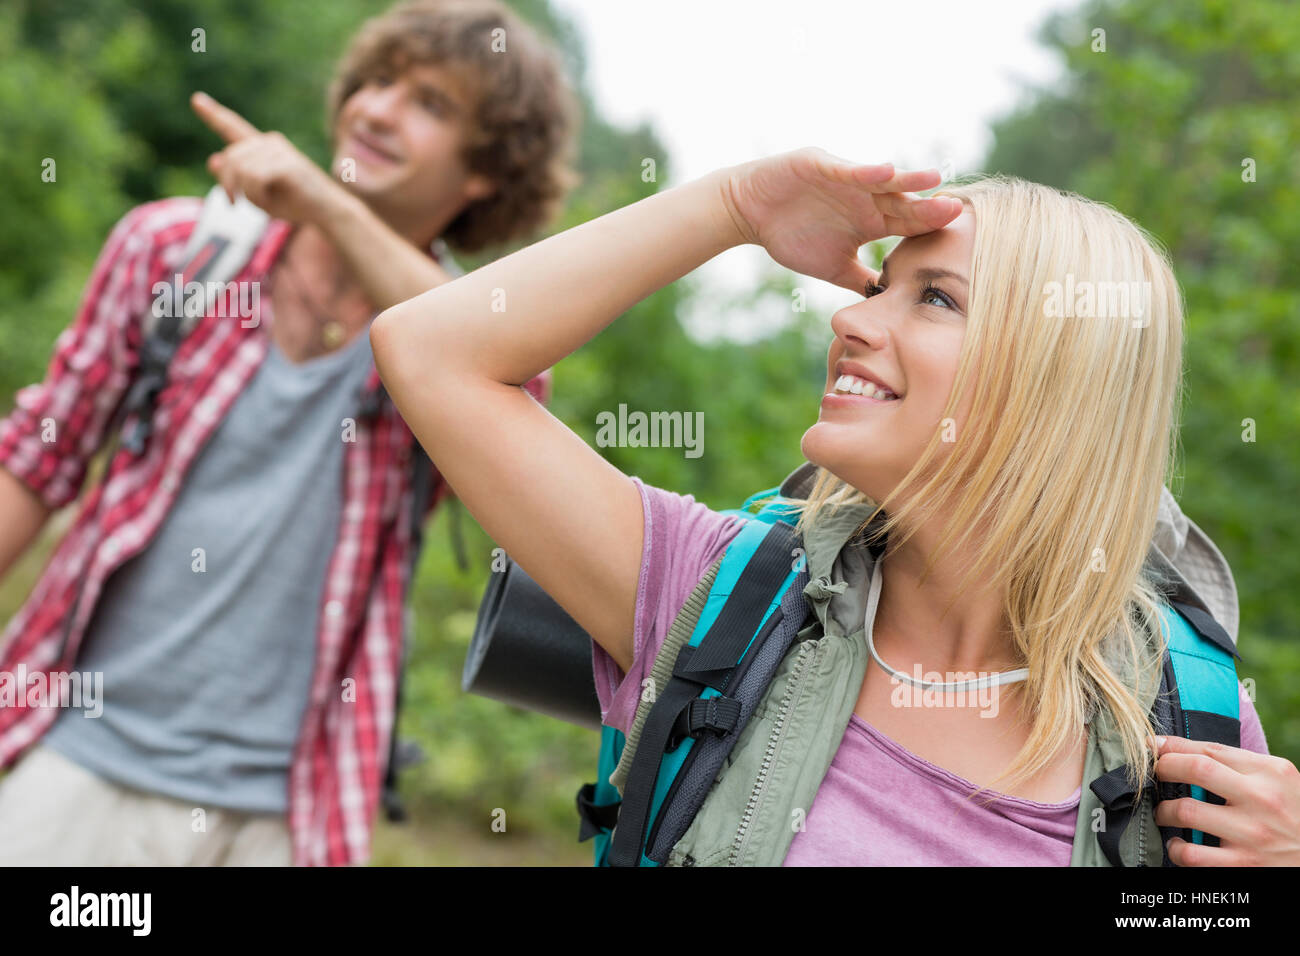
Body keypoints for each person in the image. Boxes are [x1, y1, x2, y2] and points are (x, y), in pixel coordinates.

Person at [371, 149, 1300, 865]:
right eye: (875, 287)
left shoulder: (1184, 724)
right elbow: (430, 353)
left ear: (1060, 381)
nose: (849, 320)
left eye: (935, 298)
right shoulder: (719, 595)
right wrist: (734, 207)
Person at [0, 0, 578, 866]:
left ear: (485, 172)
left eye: (430, 103)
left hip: (287, 809)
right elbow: (36, 461)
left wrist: (325, 202)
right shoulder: (174, 251)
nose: (378, 109)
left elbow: (518, 388)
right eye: (379, 80)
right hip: (78, 758)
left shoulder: (469, 337)